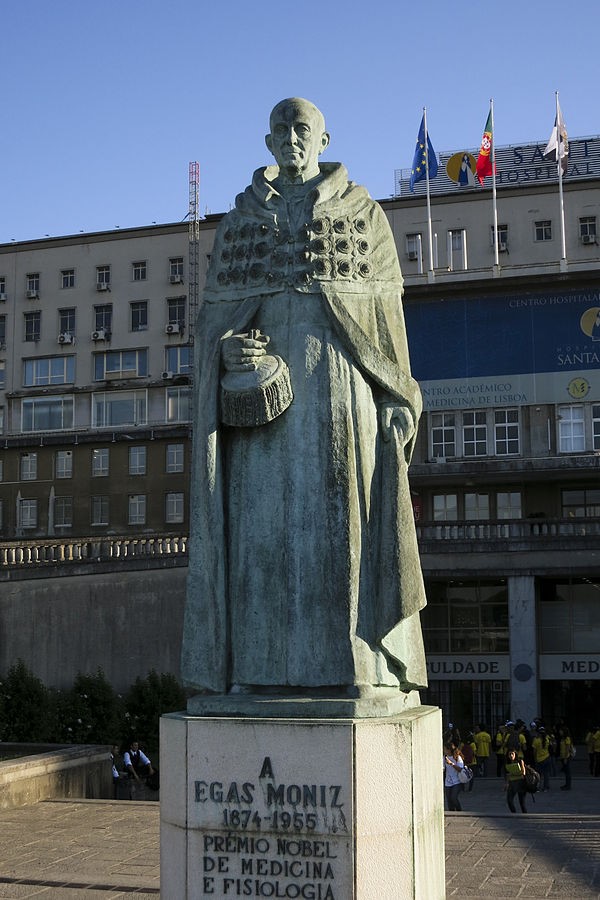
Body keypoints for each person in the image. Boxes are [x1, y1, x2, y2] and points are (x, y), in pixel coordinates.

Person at [181, 98, 427, 700]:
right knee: (256, 537)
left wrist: (397, 396)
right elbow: (213, 327)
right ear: (267, 143)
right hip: (261, 417)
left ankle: (358, 668)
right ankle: (253, 671)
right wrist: (229, 353)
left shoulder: (363, 215)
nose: (292, 138)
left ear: (323, 138)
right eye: (281, 130)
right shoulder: (239, 223)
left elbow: (385, 320)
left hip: (342, 396)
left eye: (303, 129)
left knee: (346, 534)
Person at [504, 748, 527, 813]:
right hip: (512, 783)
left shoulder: (520, 761)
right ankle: (514, 813)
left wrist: (514, 773)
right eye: (509, 754)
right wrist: (506, 784)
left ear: (515, 754)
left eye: (512, 754)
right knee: (509, 800)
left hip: (520, 783)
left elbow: (523, 773)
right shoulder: (507, 763)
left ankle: (525, 815)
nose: (511, 755)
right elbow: (507, 775)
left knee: (522, 803)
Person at [444, 742, 465, 811]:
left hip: (457, 781)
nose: (444, 751)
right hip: (448, 782)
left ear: (449, 750)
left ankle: (459, 811)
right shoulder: (444, 757)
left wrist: (451, 764)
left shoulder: (457, 757)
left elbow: (460, 769)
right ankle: (452, 813)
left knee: (453, 797)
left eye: (445, 749)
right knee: (449, 800)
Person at [531, 725, 551, 791]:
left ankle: (537, 787)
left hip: (539, 759)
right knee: (546, 774)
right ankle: (546, 787)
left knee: (538, 774)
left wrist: (534, 758)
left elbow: (534, 751)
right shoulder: (547, 739)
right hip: (547, 757)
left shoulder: (536, 740)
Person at [557, 724, 573, 790]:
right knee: (566, 772)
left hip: (566, 757)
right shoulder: (562, 738)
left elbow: (567, 748)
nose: (559, 732)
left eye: (561, 731)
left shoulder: (567, 738)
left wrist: (566, 758)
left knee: (567, 772)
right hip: (563, 757)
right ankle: (566, 784)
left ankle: (568, 786)